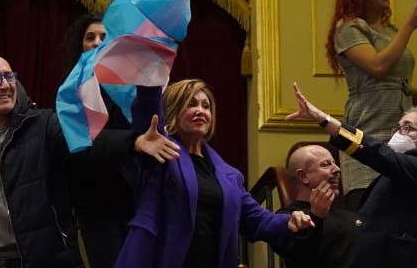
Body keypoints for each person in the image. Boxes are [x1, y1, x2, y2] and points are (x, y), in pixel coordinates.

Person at [0, 54, 178, 268]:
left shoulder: (42, 126)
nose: (5, 85)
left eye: (9, 76)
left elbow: (86, 143)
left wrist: (134, 142)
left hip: (42, 259)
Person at [114, 78, 314, 268]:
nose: (200, 110)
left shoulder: (230, 175)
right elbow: (148, 114)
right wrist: (152, 77)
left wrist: (289, 221)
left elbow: (257, 220)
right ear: (173, 110)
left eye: (206, 106)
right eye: (191, 104)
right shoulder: (160, 151)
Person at [286, 82, 417, 267]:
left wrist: (324, 120)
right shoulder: (400, 173)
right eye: (398, 128)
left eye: (407, 128)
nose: (399, 134)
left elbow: (379, 154)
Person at [325, 0, 417, 206]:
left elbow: (395, 84)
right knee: (371, 208)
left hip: (402, 133)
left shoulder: (390, 31)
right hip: (369, 128)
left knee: (403, 213)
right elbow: (378, 66)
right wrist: (410, 26)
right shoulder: (348, 28)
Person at [62, 12, 142, 268]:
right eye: (90, 38)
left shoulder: (134, 85)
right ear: (80, 45)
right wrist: (134, 141)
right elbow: (80, 143)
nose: (97, 42)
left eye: (104, 38)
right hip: (95, 200)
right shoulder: (71, 91)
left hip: (137, 195)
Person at [273, 144, 359, 268]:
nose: (337, 169)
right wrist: (317, 218)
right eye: (326, 164)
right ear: (304, 177)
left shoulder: (348, 215)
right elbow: (303, 259)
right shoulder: (287, 217)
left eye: (334, 163)